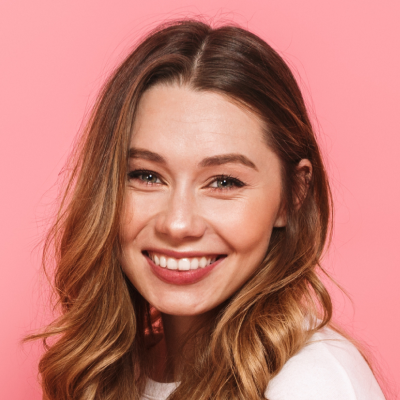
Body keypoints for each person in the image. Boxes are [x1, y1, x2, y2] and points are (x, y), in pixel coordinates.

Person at [31, 19, 386, 400]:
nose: (178, 223)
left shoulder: (313, 384)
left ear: (292, 196)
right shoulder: (111, 370)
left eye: (224, 182)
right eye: (147, 176)